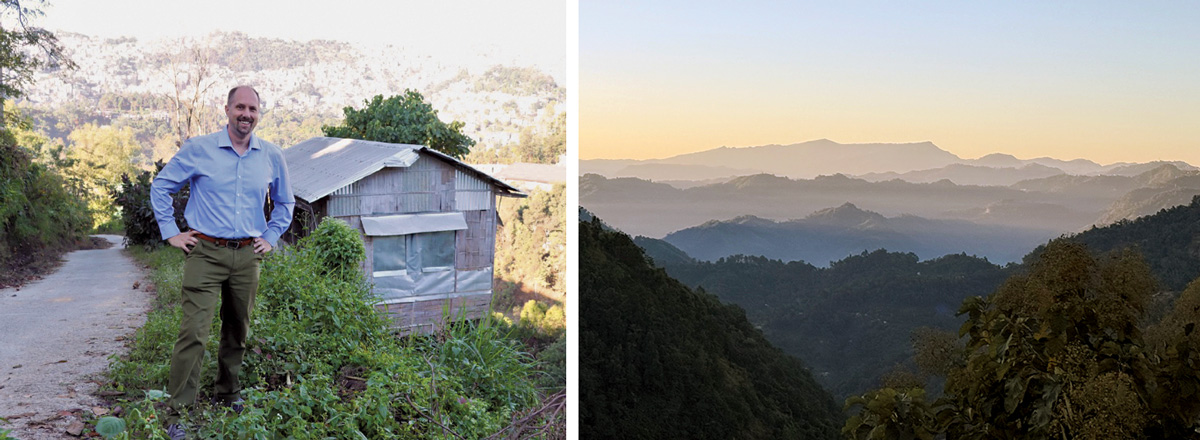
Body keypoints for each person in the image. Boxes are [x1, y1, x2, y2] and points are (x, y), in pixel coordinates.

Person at [150, 85, 294, 438]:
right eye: (240, 107)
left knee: (237, 330)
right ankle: (177, 414)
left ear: (259, 113)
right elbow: (161, 186)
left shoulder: (272, 155)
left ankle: (228, 394)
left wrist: (270, 237)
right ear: (227, 109)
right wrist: (171, 232)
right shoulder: (200, 149)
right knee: (193, 333)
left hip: (248, 256)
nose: (246, 114)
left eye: (253, 109)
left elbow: (285, 203)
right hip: (205, 252)